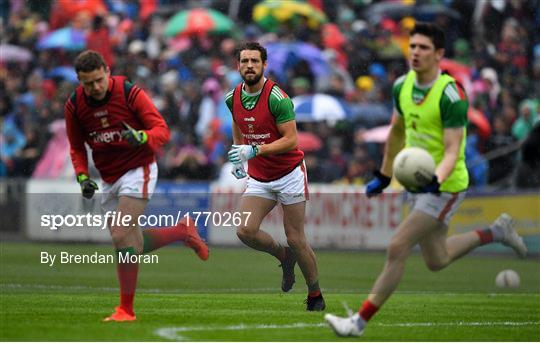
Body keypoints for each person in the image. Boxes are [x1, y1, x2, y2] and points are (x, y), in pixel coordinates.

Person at [325, 22, 527, 336]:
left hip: (445, 185)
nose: (415, 52)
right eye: (413, 46)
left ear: (439, 54)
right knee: (437, 258)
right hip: (417, 182)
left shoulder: (451, 94)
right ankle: (496, 231)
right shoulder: (402, 86)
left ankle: (358, 323)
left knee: (397, 245)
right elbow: (396, 131)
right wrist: (383, 175)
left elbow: (452, 150)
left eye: (423, 48)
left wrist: (437, 180)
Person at [64, 50, 209, 322]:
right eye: (88, 83)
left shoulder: (130, 92)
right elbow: (76, 147)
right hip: (108, 178)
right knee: (132, 243)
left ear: (107, 71)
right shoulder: (74, 105)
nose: (95, 88)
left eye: (98, 80)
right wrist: (83, 176)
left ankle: (126, 311)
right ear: (79, 81)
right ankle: (181, 231)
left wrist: (141, 136)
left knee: (120, 235)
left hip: (138, 168)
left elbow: (162, 131)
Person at [225, 42, 325, 311]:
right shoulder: (231, 97)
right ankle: (283, 256)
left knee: (296, 237)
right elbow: (238, 120)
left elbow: (292, 141)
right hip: (260, 176)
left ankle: (315, 293)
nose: (249, 66)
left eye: (254, 61)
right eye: (244, 61)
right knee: (245, 231)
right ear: (238, 65)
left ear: (264, 65)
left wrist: (254, 149)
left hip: (289, 174)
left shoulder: (277, 98)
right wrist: (238, 153)